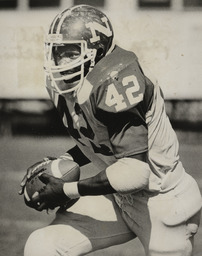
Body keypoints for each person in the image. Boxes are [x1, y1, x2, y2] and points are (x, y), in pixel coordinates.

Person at [19, 4, 202, 256]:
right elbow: (100, 140)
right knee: (43, 246)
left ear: (98, 51)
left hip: (162, 201)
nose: (61, 61)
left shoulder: (116, 78)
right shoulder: (79, 84)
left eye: (71, 52)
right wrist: (63, 162)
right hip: (119, 199)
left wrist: (65, 189)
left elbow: (134, 172)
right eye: (58, 52)